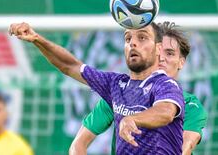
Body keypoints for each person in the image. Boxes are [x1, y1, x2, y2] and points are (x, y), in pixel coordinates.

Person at [9, 21, 184, 154]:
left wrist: (132, 119)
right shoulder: (115, 84)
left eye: (142, 37)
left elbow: (165, 112)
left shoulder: (165, 84)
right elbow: (69, 65)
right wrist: (37, 39)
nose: (133, 43)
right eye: (128, 38)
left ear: (159, 48)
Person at [69, 22, 208, 155]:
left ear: (181, 62)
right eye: (159, 50)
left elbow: (184, 148)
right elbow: (78, 144)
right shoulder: (119, 93)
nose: (162, 58)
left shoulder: (190, 105)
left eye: (170, 53)